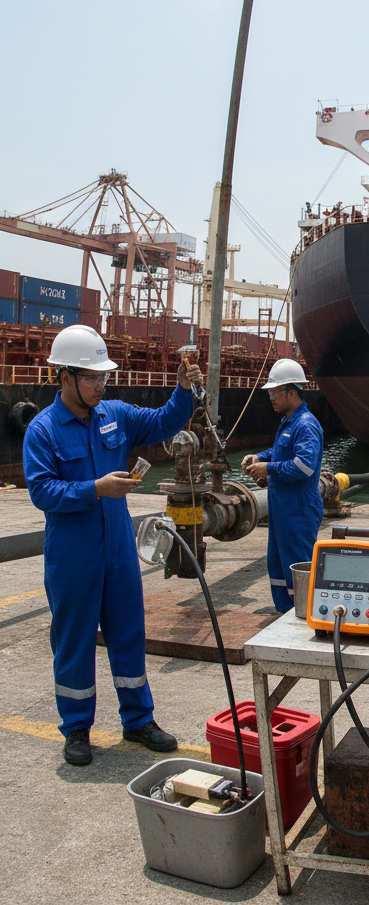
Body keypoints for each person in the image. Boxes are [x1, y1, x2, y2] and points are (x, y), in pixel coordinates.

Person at [23, 325, 204, 767]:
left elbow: (164, 421)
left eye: (103, 376)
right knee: (74, 639)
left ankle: (138, 719)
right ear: (64, 378)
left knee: (128, 632)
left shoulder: (114, 414)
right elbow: (43, 492)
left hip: (118, 548)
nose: (101, 384)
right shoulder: (42, 431)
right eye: (92, 377)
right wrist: (96, 488)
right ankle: (77, 728)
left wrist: (183, 390)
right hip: (72, 552)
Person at [242, 359, 324, 613]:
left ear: (291, 392)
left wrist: (269, 469)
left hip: (298, 511)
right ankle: (284, 612)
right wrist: (261, 458)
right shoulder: (289, 422)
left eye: (275, 393)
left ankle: (304, 614)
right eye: (270, 393)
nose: (271, 398)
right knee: (278, 565)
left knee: (298, 566)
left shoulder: (306, 425)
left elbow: (304, 467)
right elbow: (280, 452)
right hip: (283, 509)